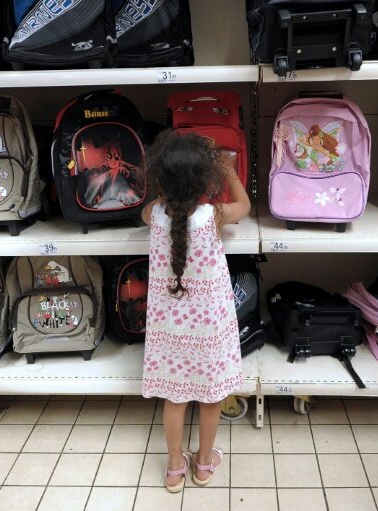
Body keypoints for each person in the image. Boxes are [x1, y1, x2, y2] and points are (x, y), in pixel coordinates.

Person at [141, 131, 251, 493]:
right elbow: (246, 207)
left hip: (169, 330)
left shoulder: (153, 214)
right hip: (208, 331)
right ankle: (203, 465)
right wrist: (229, 171)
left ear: (159, 179)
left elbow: (158, 204)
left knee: (174, 398)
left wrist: (168, 189)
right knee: (210, 398)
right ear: (207, 180)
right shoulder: (212, 215)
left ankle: (175, 469)